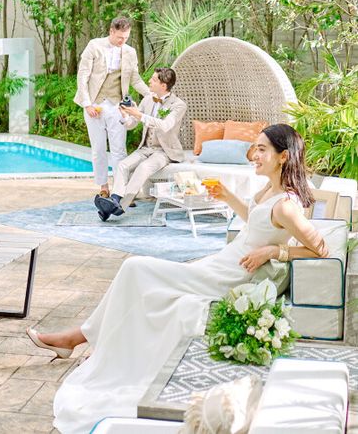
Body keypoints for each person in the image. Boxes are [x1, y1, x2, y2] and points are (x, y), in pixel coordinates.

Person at [28, 124, 329, 433]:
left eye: (262, 149)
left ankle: (78, 338)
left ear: (283, 156)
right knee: (139, 277)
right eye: (256, 147)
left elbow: (320, 248)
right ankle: (83, 339)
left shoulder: (286, 205)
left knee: (136, 269)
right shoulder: (268, 191)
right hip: (222, 262)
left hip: (231, 276)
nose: (254, 155)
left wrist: (274, 251)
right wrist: (227, 197)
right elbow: (256, 225)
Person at [94, 67, 186, 221]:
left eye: (154, 80)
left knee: (143, 168)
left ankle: (119, 206)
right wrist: (125, 116)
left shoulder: (179, 105)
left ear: (163, 85)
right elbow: (132, 124)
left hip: (164, 151)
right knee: (123, 165)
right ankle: (114, 199)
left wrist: (139, 114)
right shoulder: (148, 99)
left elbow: (165, 125)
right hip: (145, 148)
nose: (149, 81)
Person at [74, 17, 149, 200]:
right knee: (98, 149)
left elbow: (135, 79)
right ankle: (104, 186)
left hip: (117, 106)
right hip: (94, 104)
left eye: (126, 37)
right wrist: (87, 104)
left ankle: (120, 190)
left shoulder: (130, 52)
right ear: (111, 31)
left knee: (119, 149)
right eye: (119, 37)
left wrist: (151, 95)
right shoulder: (94, 46)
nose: (123, 41)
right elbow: (83, 76)